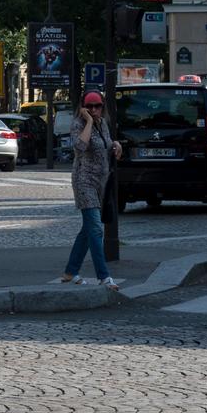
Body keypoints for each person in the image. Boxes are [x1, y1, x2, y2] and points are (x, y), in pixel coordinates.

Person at [56, 91, 122, 288]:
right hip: (83, 181)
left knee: (87, 230)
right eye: (90, 106)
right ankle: (104, 276)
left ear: (103, 106)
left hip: (100, 182)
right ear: (83, 107)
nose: (94, 110)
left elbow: (106, 144)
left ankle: (70, 271)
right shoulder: (78, 124)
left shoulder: (103, 123)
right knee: (95, 228)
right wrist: (89, 122)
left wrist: (116, 145)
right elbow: (81, 146)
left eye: (97, 106)